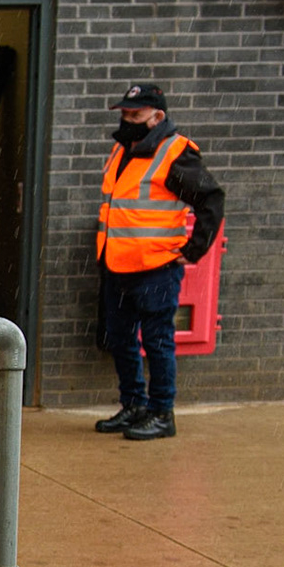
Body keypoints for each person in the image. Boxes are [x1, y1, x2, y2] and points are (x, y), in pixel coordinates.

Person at [93, 83, 224, 441]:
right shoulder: (123, 150)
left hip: (155, 269)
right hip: (117, 264)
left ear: (157, 117)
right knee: (121, 339)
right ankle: (134, 405)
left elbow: (211, 199)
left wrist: (193, 250)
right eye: (124, 112)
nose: (127, 119)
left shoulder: (174, 152)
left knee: (157, 342)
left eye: (134, 114)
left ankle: (162, 413)